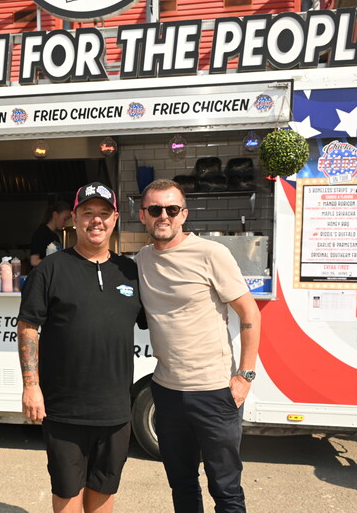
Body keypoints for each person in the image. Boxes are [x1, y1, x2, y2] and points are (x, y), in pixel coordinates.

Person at [135, 178, 261, 513]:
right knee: (182, 485)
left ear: (184, 215)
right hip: (166, 391)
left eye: (172, 209)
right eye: (156, 209)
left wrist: (244, 376)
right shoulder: (141, 260)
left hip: (215, 391)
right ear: (142, 215)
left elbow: (250, 312)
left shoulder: (211, 253)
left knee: (226, 488)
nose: (164, 215)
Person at [18, 183, 145, 513]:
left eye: (104, 213)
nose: (96, 221)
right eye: (87, 213)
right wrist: (31, 387)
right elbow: (28, 327)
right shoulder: (50, 269)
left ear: (115, 218)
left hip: (115, 411)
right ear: (73, 218)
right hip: (64, 411)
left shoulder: (130, 271)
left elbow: (166, 318)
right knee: (67, 498)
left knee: (104, 496)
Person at [30, 201, 72, 267]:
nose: (66, 222)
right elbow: (34, 261)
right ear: (55, 215)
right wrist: (55, 264)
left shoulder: (55, 235)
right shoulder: (41, 233)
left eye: (68, 220)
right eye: (65, 219)